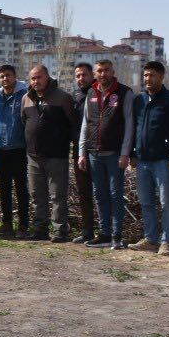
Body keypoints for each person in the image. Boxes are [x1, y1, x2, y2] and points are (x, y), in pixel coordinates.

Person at [129, 60, 169, 254]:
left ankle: (166, 241)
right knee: (146, 202)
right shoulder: (139, 100)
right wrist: (132, 153)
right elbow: (135, 128)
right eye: (145, 75)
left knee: (166, 203)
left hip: (163, 161)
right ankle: (150, 239)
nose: (148, 79)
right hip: (143, 160)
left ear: (161, 77)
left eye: (152, 75)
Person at [78, 58, 135, 250]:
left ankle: (117, 235)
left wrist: (125, 153)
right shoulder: (91, 93)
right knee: (99, 194)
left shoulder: (124, 92)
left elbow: (129, 124)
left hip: (114, 153)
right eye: (99, 71)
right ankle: (104, 234)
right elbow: (86, 123)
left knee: (115, 194)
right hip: (94, 152)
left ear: (113, 71)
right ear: (95, 74)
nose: (103, 74)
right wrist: (81, 152)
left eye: (106, 70)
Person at [22, 63, 78, 242]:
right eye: (32, 78)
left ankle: (60, 231)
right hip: (33, 156)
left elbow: (72, 123)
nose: (35, 81)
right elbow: (24, 121)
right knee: (37, 195)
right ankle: (39, 230)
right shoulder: (26, 98)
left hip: (56, 156)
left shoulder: (63, 97)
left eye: (39, 77)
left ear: (47, 77)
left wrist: (61, 142)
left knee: (57, 196)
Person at [0, 65, 29, 239]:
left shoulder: (24, 95)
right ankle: (7, 224)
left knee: (21, 188)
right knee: (4, 188)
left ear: (15, 77)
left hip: (19, 148)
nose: (5, 79)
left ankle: (23, 225)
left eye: (8, 76)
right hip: (0, 149)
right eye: (2, 76)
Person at [69, 61, 97, 244]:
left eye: (84, 75)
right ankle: (87, 231)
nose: (81, 78)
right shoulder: (74, 97)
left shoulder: (99, 93)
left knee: (103, 193)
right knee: (84, 193)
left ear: (92, 75)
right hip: (79, 152)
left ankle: (108, 231)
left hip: (99, 151)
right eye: (78, 75)